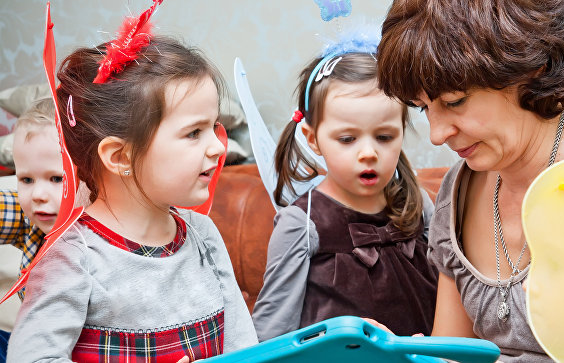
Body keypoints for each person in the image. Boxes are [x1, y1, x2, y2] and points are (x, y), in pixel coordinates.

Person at [7, 33, 258, 361]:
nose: (218, 146)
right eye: (194, 132)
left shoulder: (204, 235)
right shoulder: (73, 257)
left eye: (214, 127)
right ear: (120, 156)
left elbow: (244, 348)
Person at [375, 0, 564, 361]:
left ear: (531, 67)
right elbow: (452, 352)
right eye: (424, 107)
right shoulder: (456, 192)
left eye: (455, 101)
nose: (437, 133)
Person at [251, 40, 439, 342]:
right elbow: (272, 332)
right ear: (313, 140)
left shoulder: (419, 203)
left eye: (384, 136)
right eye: (348, 139)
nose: (368, 153)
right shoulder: (302, 224)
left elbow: (452, 294)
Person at [0, 97, 61, 363]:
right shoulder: (30, 221)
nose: (38, 194)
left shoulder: (111, 227)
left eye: (56, 178)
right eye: (26, 179)